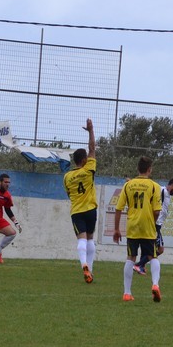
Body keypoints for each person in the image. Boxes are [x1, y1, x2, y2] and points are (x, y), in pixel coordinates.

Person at [112, 157, 163, 302]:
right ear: (149, 169)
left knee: (131, 257)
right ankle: (155, 284)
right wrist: (152, 223)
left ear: (138, 169)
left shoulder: (128, 185)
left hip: (132, 226)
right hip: (147, 227)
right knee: (153, 256)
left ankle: (127, 293)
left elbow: (118, 208)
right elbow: (157, 211)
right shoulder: (154, 186)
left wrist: (116, 229)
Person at [63, 118, 97, 283]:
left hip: (77, 211)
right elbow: (92, 148)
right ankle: (89, 269)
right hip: (91, 209)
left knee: (81, 239)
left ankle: (84, 264)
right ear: (84, 160)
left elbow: (69, 194)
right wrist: (91, 131)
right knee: (90, 238)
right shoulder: (89, 169)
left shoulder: (67, 177)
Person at [134, 177, 173, 276]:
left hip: (157, 225)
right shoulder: (162, 190)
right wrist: (133, 182)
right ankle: (138, 265)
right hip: (155, 225)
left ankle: (141, 266)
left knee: (148, 247)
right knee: (160, 249)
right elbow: (149, 186)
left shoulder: (167, 194)